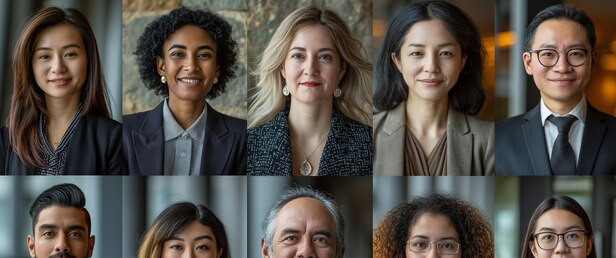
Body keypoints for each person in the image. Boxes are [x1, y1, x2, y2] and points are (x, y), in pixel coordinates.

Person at [495, 4, 616, 175]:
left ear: (593, 61)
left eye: (575, 53)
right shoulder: (498, 138)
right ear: (528, 63)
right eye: (548, 54)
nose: (562, 67)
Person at [247, 6, 373, 176]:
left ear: (341, 70)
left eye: (324, 57)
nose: (310, 69)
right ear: (282, 68)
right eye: (298, 56)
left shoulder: (370, 144)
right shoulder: (249, 144)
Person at [373, 1, 493, 176]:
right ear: (398, 61)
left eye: (445, 53)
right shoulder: (369, 135)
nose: (431, 66)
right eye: (417, 53)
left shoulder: (489, 139)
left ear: (462, 61)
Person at [0, 7, 123, 175]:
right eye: (45, 56)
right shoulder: (7, 140)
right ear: (29, 66)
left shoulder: (114, 139)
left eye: (70, 54)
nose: (58, 67)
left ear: (89, 59)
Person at [123, 7, 246, 175]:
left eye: (204, 55)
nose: (191, 66)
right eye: (178, 54)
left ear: (217, 68)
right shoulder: (123, 132)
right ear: (161, 66)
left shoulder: (242, 136)